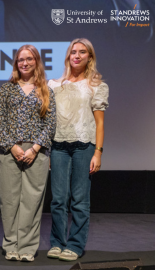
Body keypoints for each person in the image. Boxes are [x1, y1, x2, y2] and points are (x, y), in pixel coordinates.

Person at [47, 38, 108, 262]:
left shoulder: (96, 86)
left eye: (83, 52)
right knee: (58, 199)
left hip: (84, 146)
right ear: (68, 56)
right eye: (74, 51)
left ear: (89, 57)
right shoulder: (54, 84)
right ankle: (57, 242)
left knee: (80, 200)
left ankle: (75, 244)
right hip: (58, 146)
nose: (77, 55)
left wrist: (98, 152)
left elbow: (99, 123)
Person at [0, 44, 56, 262]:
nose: (25, 63)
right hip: (8, 150)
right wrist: (12, 146)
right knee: (10, 200)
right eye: (21, 59)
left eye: (29, 59)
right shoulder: (6, 89)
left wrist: (35, 148)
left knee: (32, 201)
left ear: (37, 61)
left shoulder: (46, 90)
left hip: (36, 152)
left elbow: (50, 123)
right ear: (16, 63)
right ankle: (11, 244)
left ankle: (28, 247)